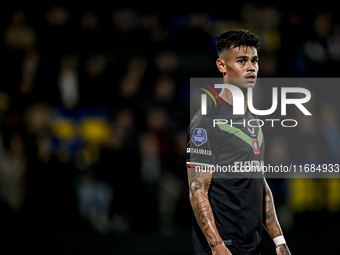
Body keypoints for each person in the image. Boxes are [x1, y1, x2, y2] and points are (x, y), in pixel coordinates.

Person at [186, 29, 291, 255]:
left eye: (254, 60)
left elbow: (259, 182)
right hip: (224, 247)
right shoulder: (207, 120)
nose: (251, 67)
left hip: (252, 246)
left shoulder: (253, 120)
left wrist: (279, 240)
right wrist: (217, 245)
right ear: (222, 66)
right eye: (242, 61)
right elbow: (197, 188)